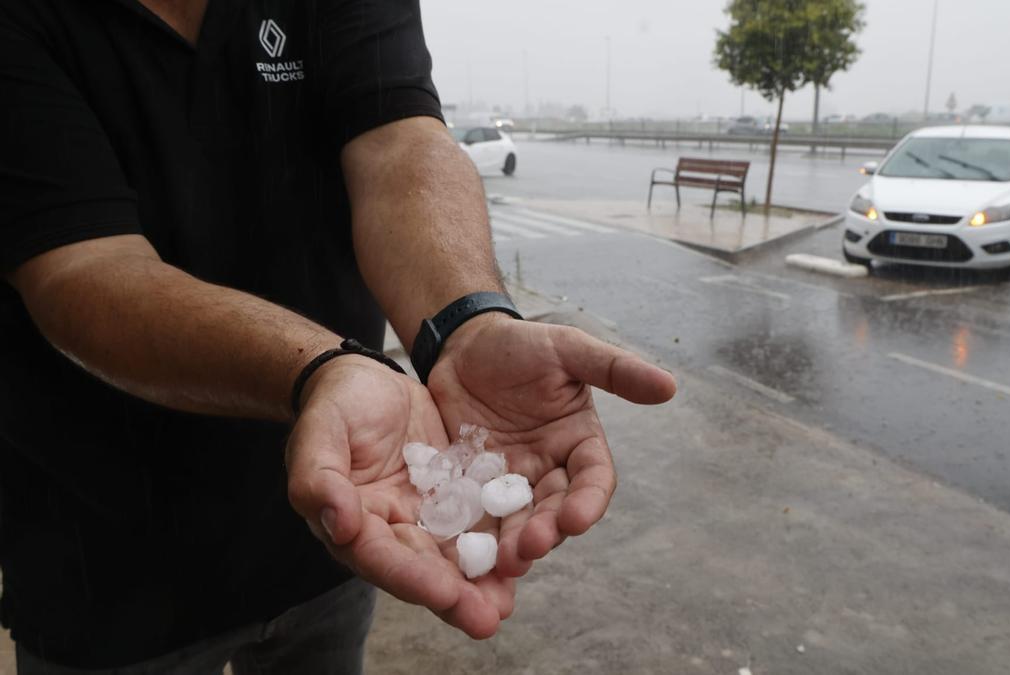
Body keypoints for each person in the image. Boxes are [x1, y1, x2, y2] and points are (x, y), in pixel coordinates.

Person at [0, 0, 676, 672]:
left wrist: (467, 322)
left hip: (344, 524)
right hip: (104, 566)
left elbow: (398, 143)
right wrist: (324, 366)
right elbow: (80, 265)